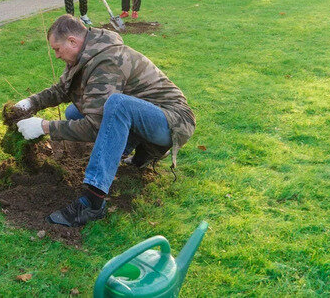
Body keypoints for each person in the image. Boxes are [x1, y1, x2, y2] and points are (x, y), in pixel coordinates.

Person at [11, 15, 195, 227]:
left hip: (173, 121)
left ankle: (92, 201)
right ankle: (136, 153)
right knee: (73, 112)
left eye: (57, 49)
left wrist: (44, 126)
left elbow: (94, 127)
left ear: (72, 41)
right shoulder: (86, 54)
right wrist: (29, 103)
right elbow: (62, 89)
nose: (57, 56)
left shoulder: (106, 61)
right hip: (147, 115)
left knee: (117, 105)